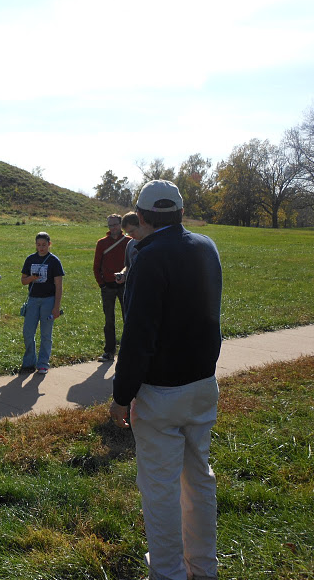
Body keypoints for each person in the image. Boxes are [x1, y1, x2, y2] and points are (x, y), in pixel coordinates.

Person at [110, 180, 222, 580]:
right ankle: (203, 568)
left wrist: (122, 395)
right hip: (202, 383)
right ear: (179, 214)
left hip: (161, 391)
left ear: (140, 218)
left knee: (160, 489)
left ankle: (169, 573)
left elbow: (139, 334)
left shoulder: (148, 256)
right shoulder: (206, 247)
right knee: (199, 479)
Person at [20, 232, 64, 374]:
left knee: (46, 334)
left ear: (49, 244)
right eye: (39, 245)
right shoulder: (30, 259)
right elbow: (23, 281)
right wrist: (32, 278)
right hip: (33, 300)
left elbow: (59, 286)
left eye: (44, 245)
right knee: (28, 332)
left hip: (48, 301)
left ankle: (43, 363)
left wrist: (56, 307)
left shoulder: (54, 261)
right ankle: (28, 362)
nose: (41, 248)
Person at [93, 214, 129, 362]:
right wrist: (102, 284)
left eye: (115, 224)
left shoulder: (129, 242)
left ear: (120, 224)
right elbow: (96, 266)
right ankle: (109, 351)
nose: (113, 227)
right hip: (108, 286)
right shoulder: (102, 243)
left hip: (125, 286)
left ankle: (128, 350)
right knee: (109, 320)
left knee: (128, 318)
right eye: (110, 225)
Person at [115, 211, 150, 283]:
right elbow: (128, 267)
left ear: (141, 225)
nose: (130, 235)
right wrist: (123, 274)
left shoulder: (154, 242)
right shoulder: (130, 244)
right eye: (127, 233)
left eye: (132, 231)